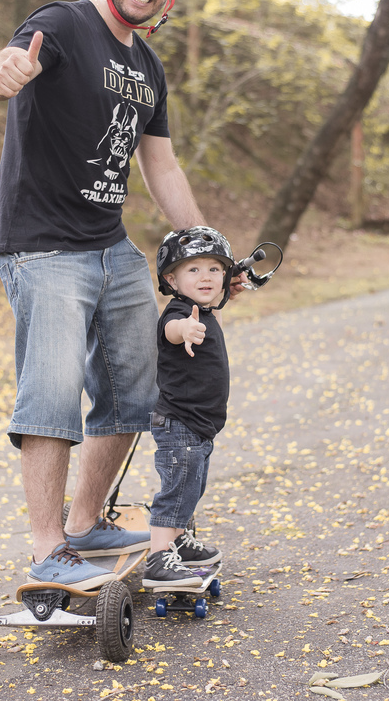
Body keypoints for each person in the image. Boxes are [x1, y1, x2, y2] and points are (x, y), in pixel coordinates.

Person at [0, 0, 210, 591]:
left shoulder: (149, 67)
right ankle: (49, 546)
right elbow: (6, 62)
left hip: (110, 247)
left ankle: (85, 522)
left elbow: (160, 167)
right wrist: (3, 73)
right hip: (41, 246)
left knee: (133, 389)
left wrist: (206, 249)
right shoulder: (66, 24)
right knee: (50, 391)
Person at [142, 227, 233, 588]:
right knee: (178, 487)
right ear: (171, 278)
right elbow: (171, 330)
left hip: (198, 425)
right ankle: (159, 558)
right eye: (193, 270)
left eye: (213, 268)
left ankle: (177, 541)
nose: (206, 276)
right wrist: (187, 330)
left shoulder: (208, 310)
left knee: (192, 486)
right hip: (179, 422)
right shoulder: (181, 312)